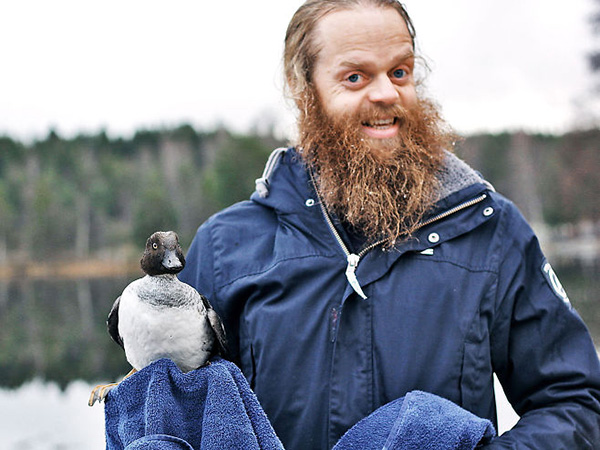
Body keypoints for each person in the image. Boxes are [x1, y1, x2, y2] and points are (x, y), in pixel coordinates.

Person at [179, 1, 600, 448]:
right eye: (355, 77)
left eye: (399, 72)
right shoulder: (227, 247)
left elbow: (576, 403)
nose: (386, 93)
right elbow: (174, 413)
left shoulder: (491, 233)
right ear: (303, 88)